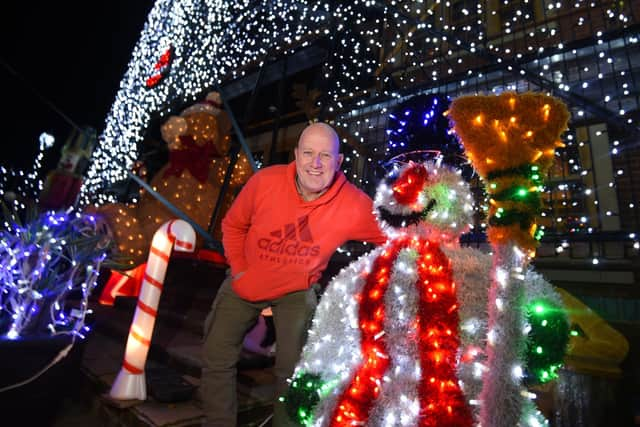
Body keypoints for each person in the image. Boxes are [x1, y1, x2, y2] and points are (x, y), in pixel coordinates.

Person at [201, 122, 387, 426]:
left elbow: (391, 236)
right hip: (246, 281)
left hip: (296, 291)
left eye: (325, 156)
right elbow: (233, 226)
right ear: (296, 155)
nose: (315, 164)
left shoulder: (353, 204)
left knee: (296, 370)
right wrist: (239, 271)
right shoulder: (264, 182)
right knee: (216, 356)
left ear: (339, 162)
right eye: (309, 153)